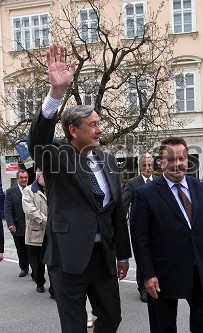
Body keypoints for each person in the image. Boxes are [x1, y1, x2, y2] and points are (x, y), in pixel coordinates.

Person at [28, 42, 131, 332]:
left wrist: (122, 254)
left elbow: (116, 210)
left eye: (100, 123)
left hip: (103, 259)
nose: (100, 129)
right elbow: (37, 140)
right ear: (74, 130)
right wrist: (56, 93)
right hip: (68, 257)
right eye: (93, 124)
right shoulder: (57, 155)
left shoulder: (108, 160)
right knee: (73, 326)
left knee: (111, 319)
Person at [130, 137, 203, 333]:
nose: (177, 164)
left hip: (200, 271)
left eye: (181, 158)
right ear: (162, 163)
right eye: (171, 159)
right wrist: (147, 274)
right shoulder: (145, 194)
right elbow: (140, 239)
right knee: (163, 328)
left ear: (188, 159)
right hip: (163, 274)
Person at [123, 153, 156, 303]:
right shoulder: (132, 183)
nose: (147, 168)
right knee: (142, 257)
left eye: (150, 165)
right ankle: (142, 288)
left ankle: (155, 283)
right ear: (139, 167)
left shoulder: (159, 182)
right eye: (144, 165)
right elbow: (123, 206)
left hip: (157, 229)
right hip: (140, 229)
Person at [22, 170, 54, 297]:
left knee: (53, 262)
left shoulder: (52, 188)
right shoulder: (28, 190)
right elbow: (30, 210)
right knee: (38, 262)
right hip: (36, 232)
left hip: (52, 232)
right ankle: (40, 283)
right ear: (39, 176)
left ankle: (54, 288)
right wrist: (46, 220)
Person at [4, 169, 31, 277]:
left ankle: (36, 270)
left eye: (25, 177)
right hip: (17, 226)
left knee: (32, 250)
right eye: (21, 178)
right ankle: (24, 268)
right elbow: (8, 209)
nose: (24, 180)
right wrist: (10, 224)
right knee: (21, 249)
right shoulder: (10, 192)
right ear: (17, 179)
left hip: (31, 226)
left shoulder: (32, 190)